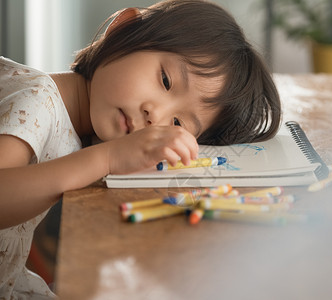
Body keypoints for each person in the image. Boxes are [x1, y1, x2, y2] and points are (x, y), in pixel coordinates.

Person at [0, 0, 281, 298]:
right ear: (123, 29)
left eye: (177, 122)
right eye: (165, 80)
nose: (155, 116)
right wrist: (106, 158)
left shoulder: (82, 125)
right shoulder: (36, 103)